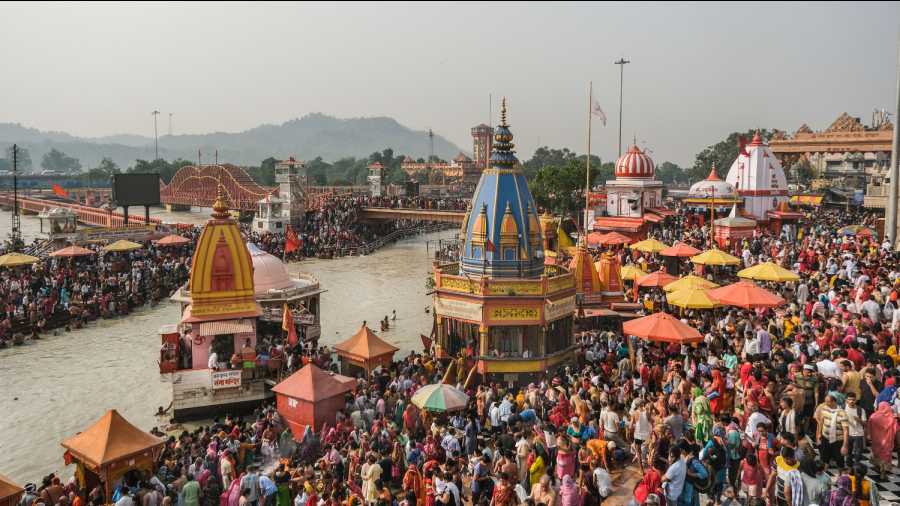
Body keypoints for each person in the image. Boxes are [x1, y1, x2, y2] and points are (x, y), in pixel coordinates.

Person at [867, 401, 898, 480]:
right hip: (887, 442)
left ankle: (878, 467)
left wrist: (868, 436)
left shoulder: (873, 417)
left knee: (877, 454)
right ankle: (883, 473)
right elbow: (896, 430)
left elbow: (869, 427)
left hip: (876, 441)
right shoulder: (892, 418)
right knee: (885, 456)